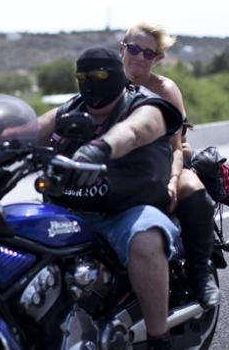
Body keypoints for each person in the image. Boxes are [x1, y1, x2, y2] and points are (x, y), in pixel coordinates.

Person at [37, 46, 183, 350]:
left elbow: (137, 129)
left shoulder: (144, 105)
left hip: (127, 211)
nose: (90, 83)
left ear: (116, 75)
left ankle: (159, 339)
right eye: (83, 76)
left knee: (145, 239)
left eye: (100, 75)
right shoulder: (70, 110)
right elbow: (28, 130)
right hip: (72, 210)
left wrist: (100, 148)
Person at [119, 21, 221, 309]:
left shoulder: (164, 89)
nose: (139, 57)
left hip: (166, 160)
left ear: (158, 59)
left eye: (148, 53)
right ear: (122, 49)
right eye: (134, 49)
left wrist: (172, 180)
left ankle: (200, 274)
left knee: (189, 186)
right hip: (121, 167)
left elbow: (177, 147)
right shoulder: (108, 84)